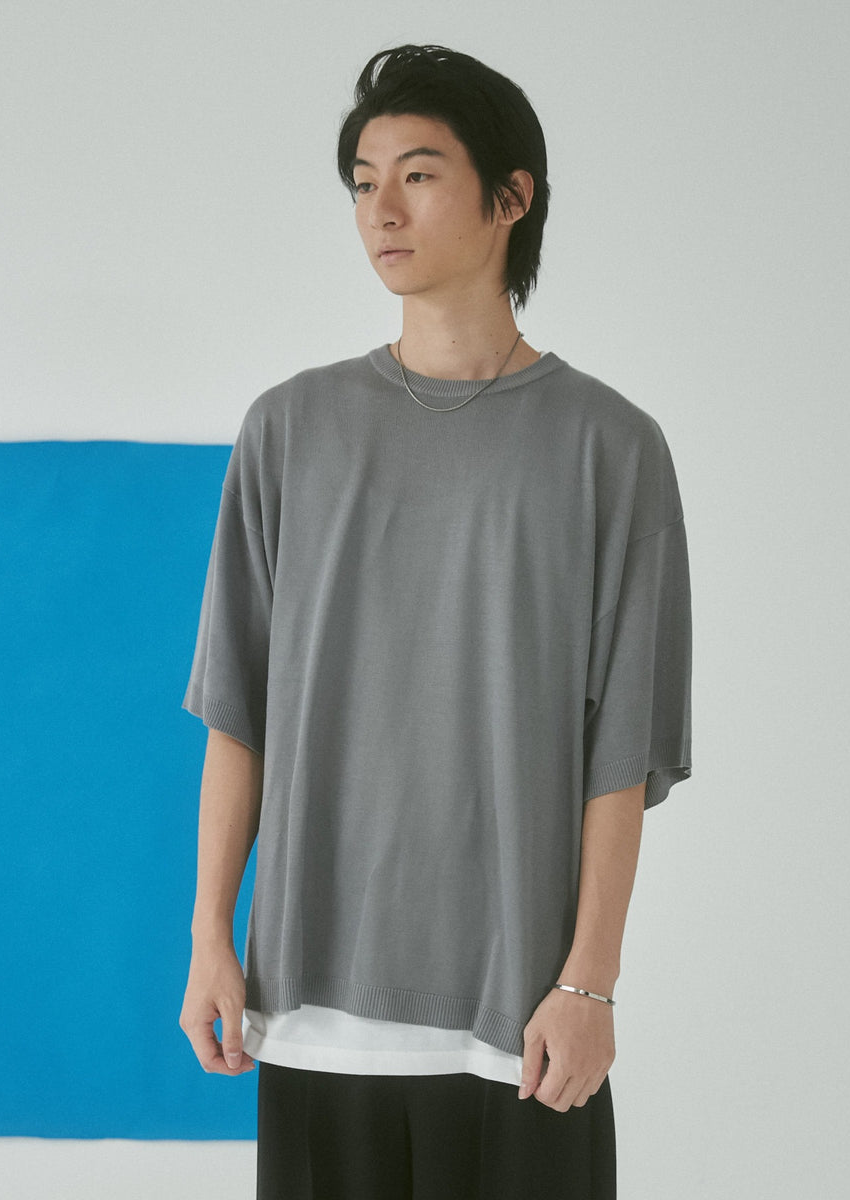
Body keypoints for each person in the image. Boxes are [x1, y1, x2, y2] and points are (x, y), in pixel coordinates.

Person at [179, 43, 692, 1199]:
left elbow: (621, 751)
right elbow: (238, 715)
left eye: (417, 175)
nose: (380, 210)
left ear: (510, 197)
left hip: (520, 1032)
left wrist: (590, 983)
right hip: (313, 1019)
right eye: (363, 182)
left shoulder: (609, 448)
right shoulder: (288, 430)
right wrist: (211, 937)